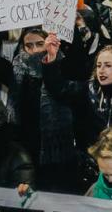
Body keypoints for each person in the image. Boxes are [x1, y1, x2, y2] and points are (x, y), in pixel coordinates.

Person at [9, 28, 81, 192]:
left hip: (58, 148)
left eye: (40, 44)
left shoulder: (64, 65)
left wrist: (51, 61)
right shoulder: (17, 68)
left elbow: (62, 91)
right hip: (28, 147)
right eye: (29, 45)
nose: (35, 50)